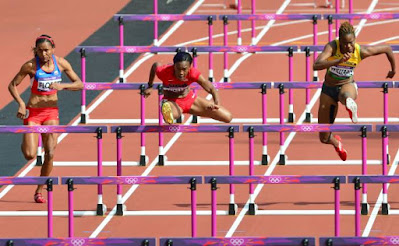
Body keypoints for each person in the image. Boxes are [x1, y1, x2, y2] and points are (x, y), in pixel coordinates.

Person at [8, 35, 83, 203]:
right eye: (40, 51)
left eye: (46, 50)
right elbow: (12, 85)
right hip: (33, 112)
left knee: (50, 153)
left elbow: (79, 84)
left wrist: (62, 86)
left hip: (51, 113)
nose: (43, 54)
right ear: (36, 51)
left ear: (53, 49)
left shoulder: (61, 63)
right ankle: (27, 139)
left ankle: (39, 190)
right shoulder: (30, 66)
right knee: (29, 155)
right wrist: (20, 103)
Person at [313, 22, 396, 161]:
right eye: (345, 43)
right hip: (328, 90)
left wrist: (393, 69)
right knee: (324, 137)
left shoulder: (359, 51)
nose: (348, 47)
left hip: (347, 84)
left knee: (345, 95)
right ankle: (336, 142)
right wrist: (337, 61)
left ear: (355, 40)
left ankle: (349, 104)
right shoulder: (332, 47)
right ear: (339, 41)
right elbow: (316, 65)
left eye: (351, 42)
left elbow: (387, 48)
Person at [144, 52, 233, 124]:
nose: (181, 73)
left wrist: (216, 103)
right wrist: (150, 86)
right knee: (171, 117)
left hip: (190, 100)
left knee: (227, 117)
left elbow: (211, 88)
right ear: (173, 66)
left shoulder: (193, 73)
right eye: (178, 69)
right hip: (172, 101)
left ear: (190, 67)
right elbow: (155, 65)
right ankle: (165, 107)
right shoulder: (164, 72)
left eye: (184, 69)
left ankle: (171, 111)